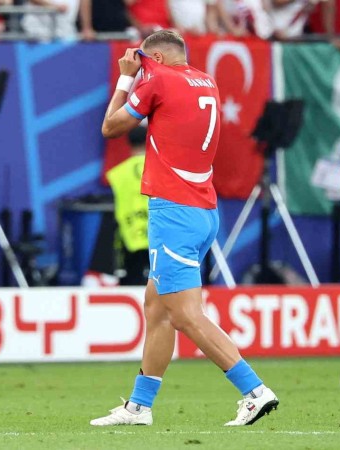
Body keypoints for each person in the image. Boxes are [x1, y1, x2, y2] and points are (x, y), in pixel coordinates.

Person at [91, 30, 279, 427]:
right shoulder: (205, 80)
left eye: (144, 59)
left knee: (186, 315)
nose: (140, 65)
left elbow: (110, 127)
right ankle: (139, 406)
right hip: (202, 209)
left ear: (157, 57)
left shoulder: (158, 78)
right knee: (157, 308)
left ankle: (254, 391)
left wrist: (125, 77)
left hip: (173, 212)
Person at [106, 126, 149, 285]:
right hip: (158, 234)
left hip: (130, 235)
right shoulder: (162, 168)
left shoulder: (117, 173)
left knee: (133, 281)